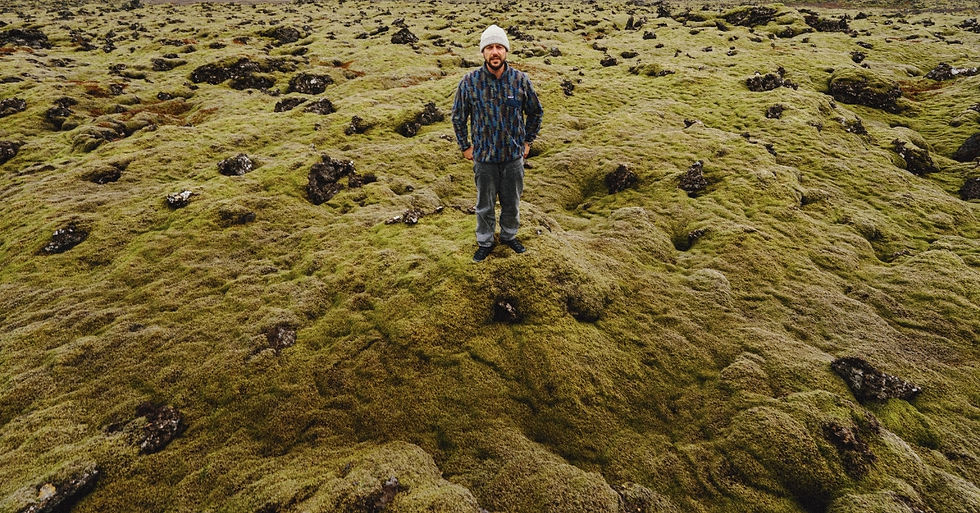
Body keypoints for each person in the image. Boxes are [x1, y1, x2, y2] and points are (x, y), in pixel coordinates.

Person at [451, 24, 543, 263]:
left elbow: (535, 112)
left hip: (513, 157)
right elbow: (458, 116)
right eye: (490, 47)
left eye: (499, 47)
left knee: (512, 202)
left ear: (506, 51)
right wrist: (465, 146)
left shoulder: (520, 81)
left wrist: (527, 142)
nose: (494, 52)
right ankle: (485, 241)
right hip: (484, 158)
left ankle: (510, 236)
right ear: (483, 52)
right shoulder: (469, 82)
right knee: (485, 204)